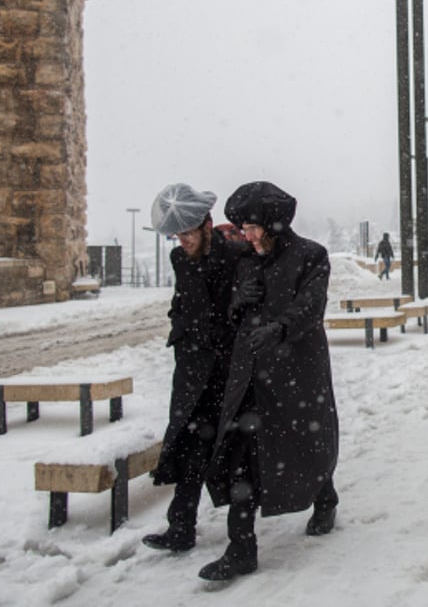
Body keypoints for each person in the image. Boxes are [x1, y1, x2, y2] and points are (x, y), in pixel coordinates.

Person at [198, 181, 340, 582]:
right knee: (243, 451)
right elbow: (227, 313)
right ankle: (241, 547)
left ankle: (324, 496)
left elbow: (311, 306)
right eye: (243, 227)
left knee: (307, 440)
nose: (247, 234)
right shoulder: (246, 261)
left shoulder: (311, 256)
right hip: (251, 375)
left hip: (298, 369)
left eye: (253, 226)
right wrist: (238, 302)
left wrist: (280, 329)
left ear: (274, 223)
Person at [141, 184, 249, 554]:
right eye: (177, 234)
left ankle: (241, 540)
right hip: (191, 372)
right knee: (189, 450)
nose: (182, 241)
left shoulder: (237, 256)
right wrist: (181, 328)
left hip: (227, 372)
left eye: (188, 233)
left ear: (206, 225)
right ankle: (181, 527)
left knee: (234, 455)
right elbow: (181, 302)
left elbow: (247, 311)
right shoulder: (179, 259)